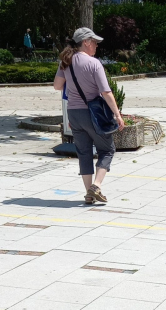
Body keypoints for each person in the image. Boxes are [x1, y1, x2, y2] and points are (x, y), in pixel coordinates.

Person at [53, 27, 125, 204]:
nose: (96, 46)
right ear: (85, 42)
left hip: (73, 113)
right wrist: (117, 114)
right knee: (107, 149)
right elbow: (106, 92)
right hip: (92, 113)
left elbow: (57, 86)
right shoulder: (94, 63)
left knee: (84, 152)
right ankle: (96, 185)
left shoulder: (65, 62)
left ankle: (89, 194)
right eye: (94, 42)